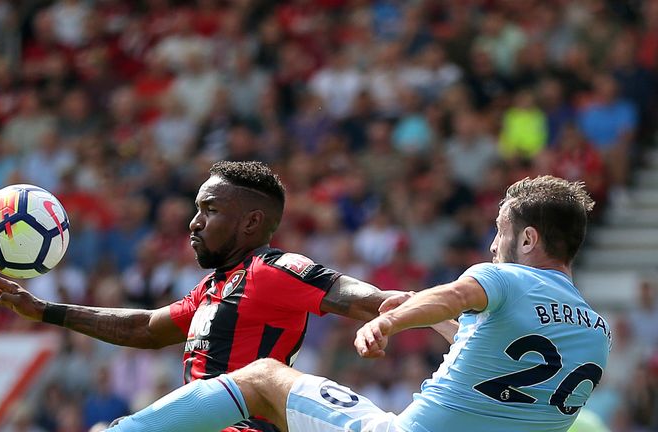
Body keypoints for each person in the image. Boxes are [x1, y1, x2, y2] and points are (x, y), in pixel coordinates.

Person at [104, 175, 611, 432]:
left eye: (499, 234)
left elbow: (454, 295)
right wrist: (431, 322)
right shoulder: (595, 331)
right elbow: (496, 365)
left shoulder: (503, 277)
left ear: (527, 239)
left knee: (262, 377)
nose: (491, 247)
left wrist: (391, 320)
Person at [0, 161, 414, 432]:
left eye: (211, 210)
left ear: (251, 223)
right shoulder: (215, 286)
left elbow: (361, 296)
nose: (194, 223)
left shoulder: (273, 269)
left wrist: (428, 312)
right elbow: (146, 328)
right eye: (197, 209)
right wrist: (42, 309)